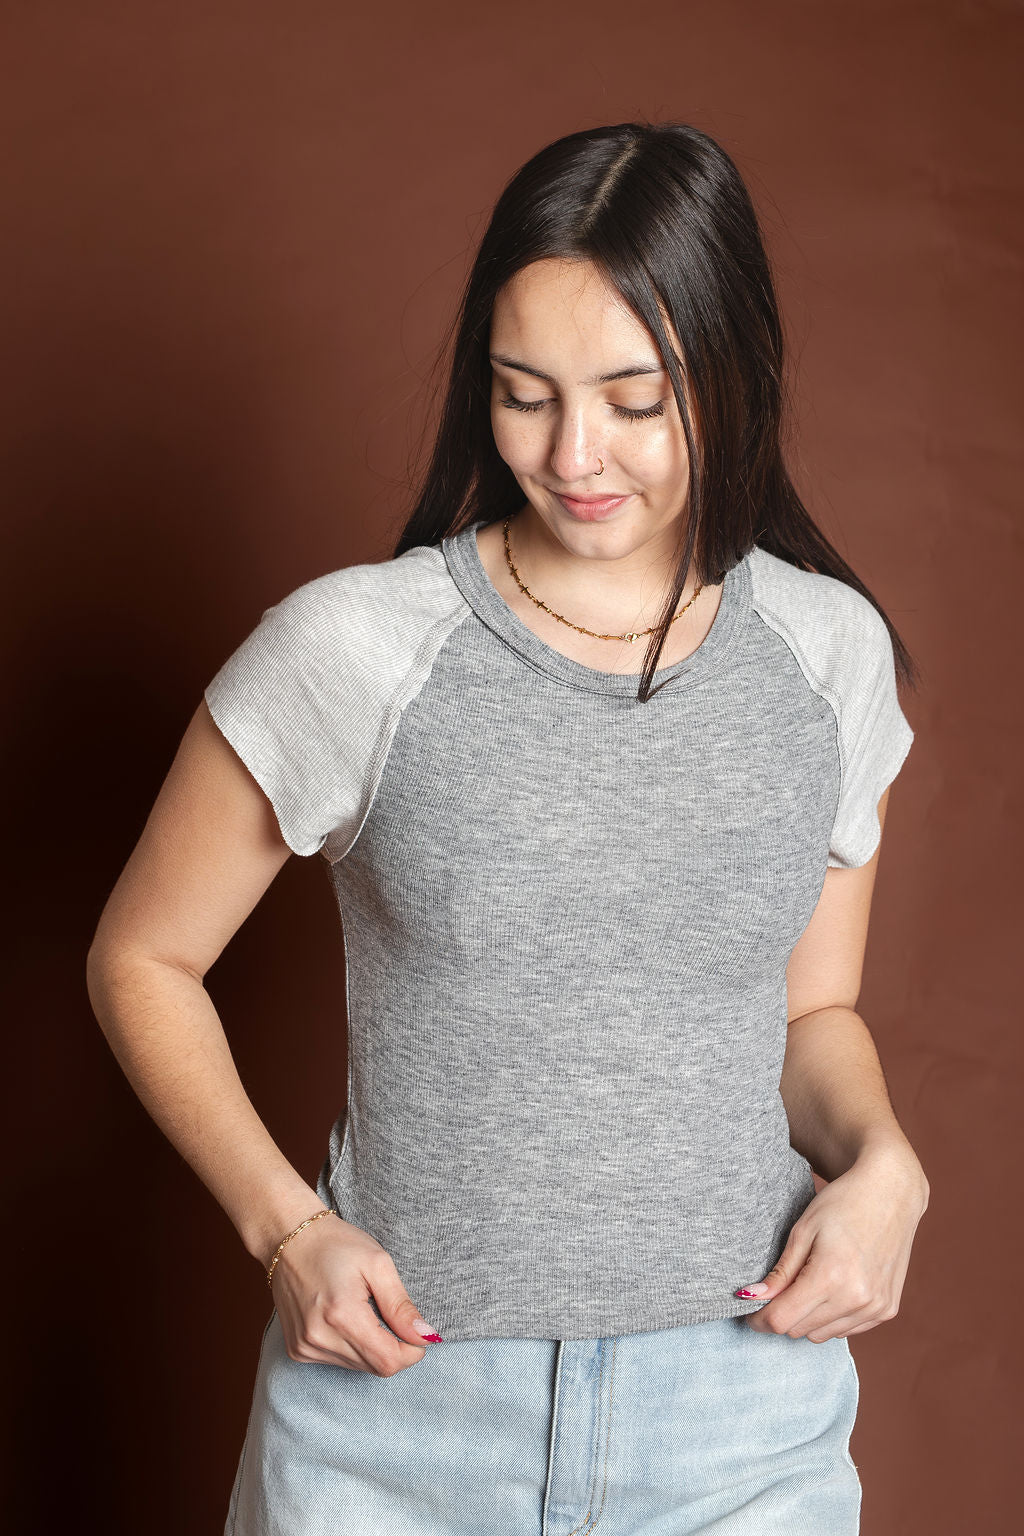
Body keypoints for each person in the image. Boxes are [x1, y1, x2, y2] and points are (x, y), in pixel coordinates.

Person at [86, 120, 930, 1535]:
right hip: (397, 1417)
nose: (573, 455)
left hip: (742, 1417)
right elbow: (141, 959)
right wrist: (286, 1228)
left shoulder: (827, 654)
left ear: (734, 374)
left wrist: (886, 1164)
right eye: (523, 394)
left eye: (635, 400)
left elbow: (812, 1013)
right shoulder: (359, 647)